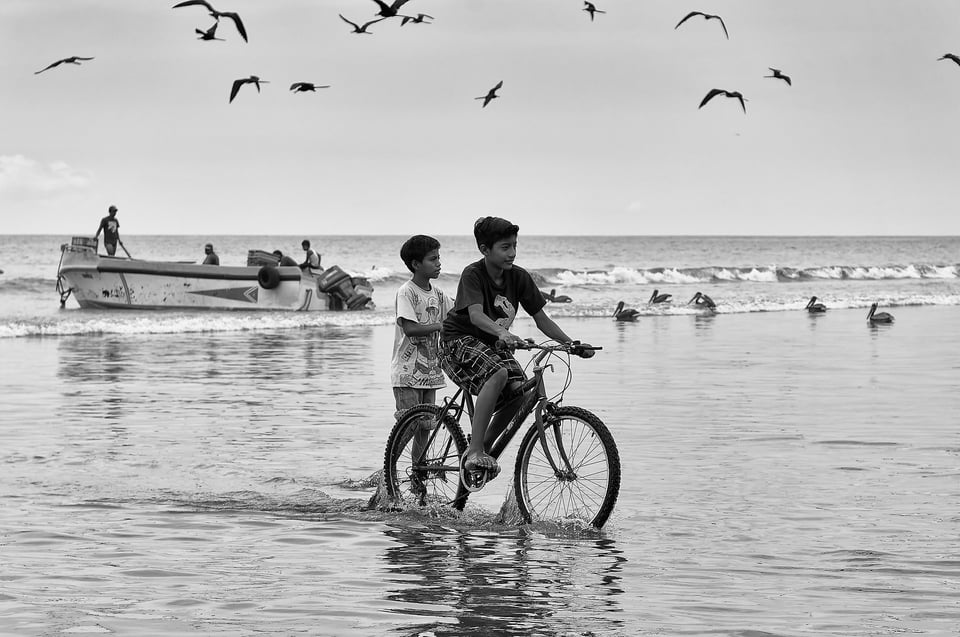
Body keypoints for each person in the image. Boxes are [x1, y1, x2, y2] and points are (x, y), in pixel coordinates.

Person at [439, 216, 594, 479]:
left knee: (521, 392)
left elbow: (542, 319)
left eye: (514, 246)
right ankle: (475, 450)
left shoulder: (519, 277)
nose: (511, 253)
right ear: (484, 250)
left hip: (492, 345)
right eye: (504, 247)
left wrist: (571, 344)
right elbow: (476, 315)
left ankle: (483, 449)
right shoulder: (473, 274)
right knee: (498, 374)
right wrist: (502, 331)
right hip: (457, 342)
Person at [391, 235, 454, 423]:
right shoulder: (407, 292)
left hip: (430, 373)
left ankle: (422, 456)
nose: (438, 263)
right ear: (416, 264)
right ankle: (393, 454)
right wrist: (440, 326)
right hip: (407, 373)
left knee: (426, 426)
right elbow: (410, 328)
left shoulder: (438, 293)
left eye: (438, 258)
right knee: (408, 426)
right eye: (433, 259)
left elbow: (456, 312)